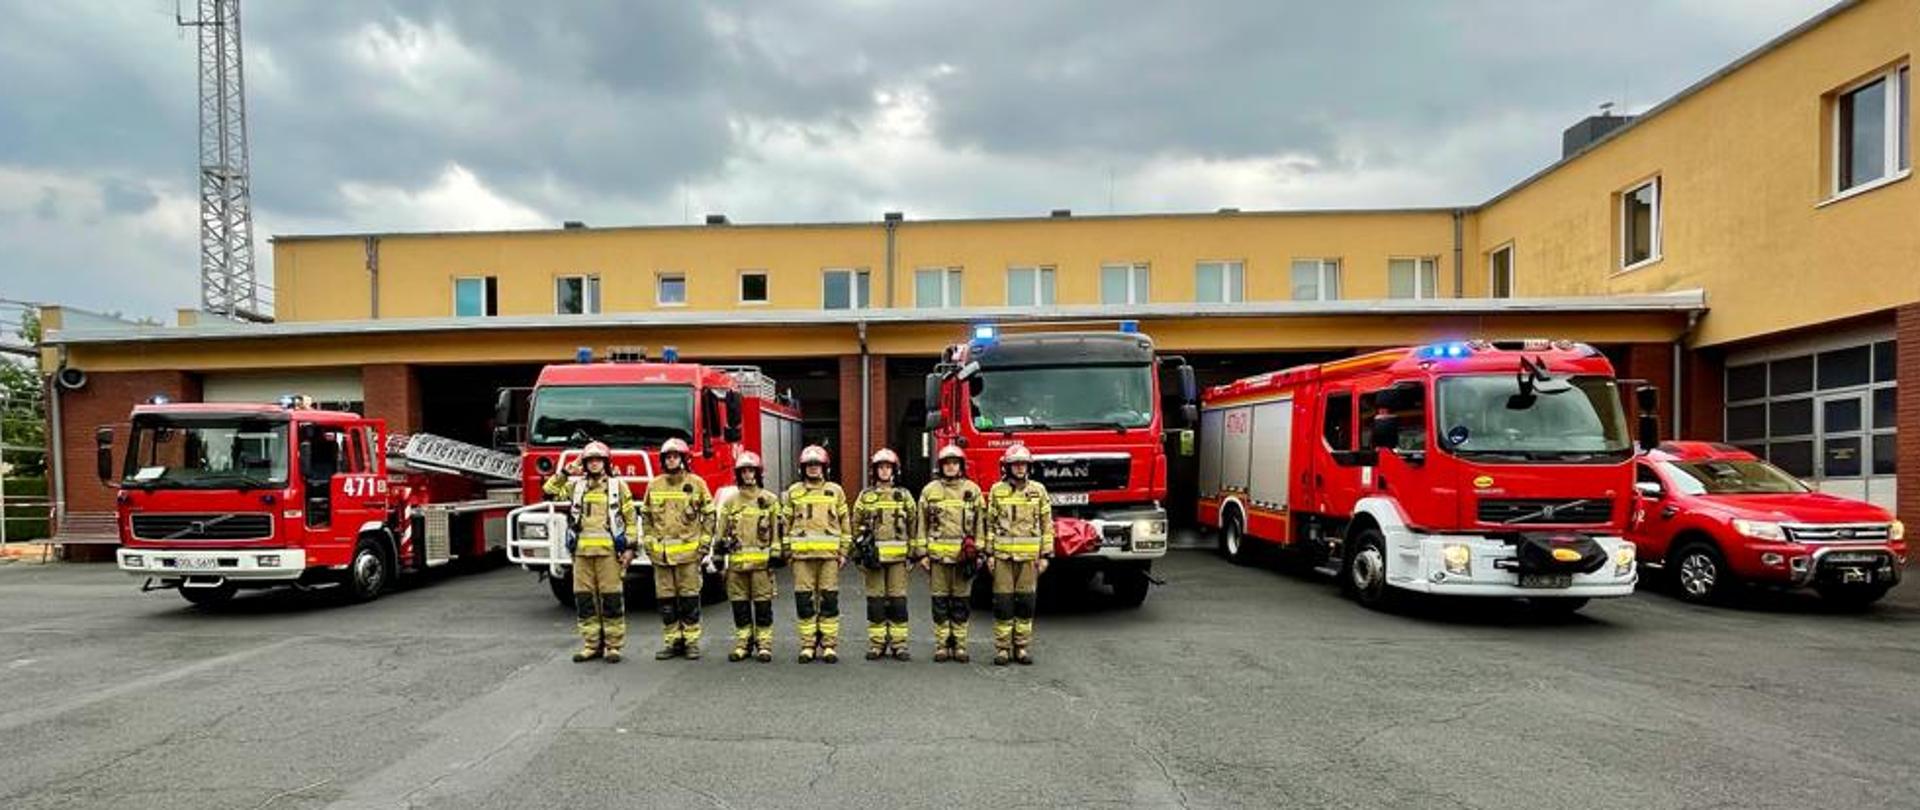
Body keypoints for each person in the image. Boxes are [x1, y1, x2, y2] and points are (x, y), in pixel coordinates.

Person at [542, 441, 636, 663]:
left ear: (605, 463)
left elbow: (631, 520)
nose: (594, 464)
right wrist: (566, 472)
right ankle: (591, 645)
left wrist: (630, 548)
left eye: (598, 460)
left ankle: (613, 646)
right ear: (584, 464)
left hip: (608, 555)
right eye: (590, 461)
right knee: (584, 601)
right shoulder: (576, 487)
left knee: (611, 600)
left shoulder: (617, 487)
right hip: (582, 555)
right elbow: (548, 492)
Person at [641, 437, 714, 660]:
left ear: (684, 459)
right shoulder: (654, 485)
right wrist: (649, 544)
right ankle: (672, 642)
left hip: (688, 555)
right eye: (668, 457)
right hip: (661, 557)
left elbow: (709, 515)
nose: (671, 460)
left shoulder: (697, 483)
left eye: (675, 456)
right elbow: (646, 517)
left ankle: (691, 643)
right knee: (666, 602)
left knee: (689, 600)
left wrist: (704, 545)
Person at [985, 443, 1053, 666]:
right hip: (1002, 558)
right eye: (1016, 464)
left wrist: (1046, 555)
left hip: (1029, 559)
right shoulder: (997, 491)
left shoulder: (1038, 491)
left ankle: (1021, 647)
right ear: (1007, 467)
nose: (1020, 468)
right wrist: (989, 554)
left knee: (1025, 603)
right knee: (1003, 604)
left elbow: (1047, 524)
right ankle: (1003, 648)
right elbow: (990, 524)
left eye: (1023, 464)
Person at [781, 445, 850, 663]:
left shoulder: (835, 491)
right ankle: (808, 645)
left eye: (817, 465)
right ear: (802, 468)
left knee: (829, 600)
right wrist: (787, 552)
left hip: (829, 557)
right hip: (801, 558)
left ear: (824, 467)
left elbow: (845, 523)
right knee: (804, 602)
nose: (813, 468)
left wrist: (844, 552)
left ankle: (829, 645)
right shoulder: (793, 492)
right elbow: (785, 524)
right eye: (809, 465)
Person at [853, 448, 920, 661]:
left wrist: (913, 554)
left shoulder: (905, 496)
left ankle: (899, 645)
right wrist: (858, 554)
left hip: (898, 560)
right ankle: (877, 644)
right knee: (876, 602)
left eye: (888, 467)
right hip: (874, 560)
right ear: (874, 471)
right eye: (880, 467)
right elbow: (856, 525)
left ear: (894, 470)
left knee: (898, 602)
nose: (884, 471)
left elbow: (914, 524)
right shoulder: (865, 497)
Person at [919, 443, 983, 663]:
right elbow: (922, 525)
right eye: (947, 463)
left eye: (955, 463)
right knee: (940, 603)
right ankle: (942, 646)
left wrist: (980, 552)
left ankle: (960, 646)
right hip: (938, 559)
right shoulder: (930, 491)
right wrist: (922, 554)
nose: (951, 467)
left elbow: (980, 524)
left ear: (961, 466)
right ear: (941, 466)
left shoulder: (972, 490)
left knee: (961, 603)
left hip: (964, 559)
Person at [713, 451, 779, 663]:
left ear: (758, 473)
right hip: (736, 566)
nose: (748, 475)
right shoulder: (730, 502)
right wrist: (718, 555)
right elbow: (721, 531)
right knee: (739, 606)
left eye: (751, 471)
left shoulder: (769, 500)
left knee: (763, 607)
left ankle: (764, 645)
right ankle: (743, 644)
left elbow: (777, 532)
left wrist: (776, 555)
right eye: (744, 471)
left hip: (761, 566)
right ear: (738, 474)